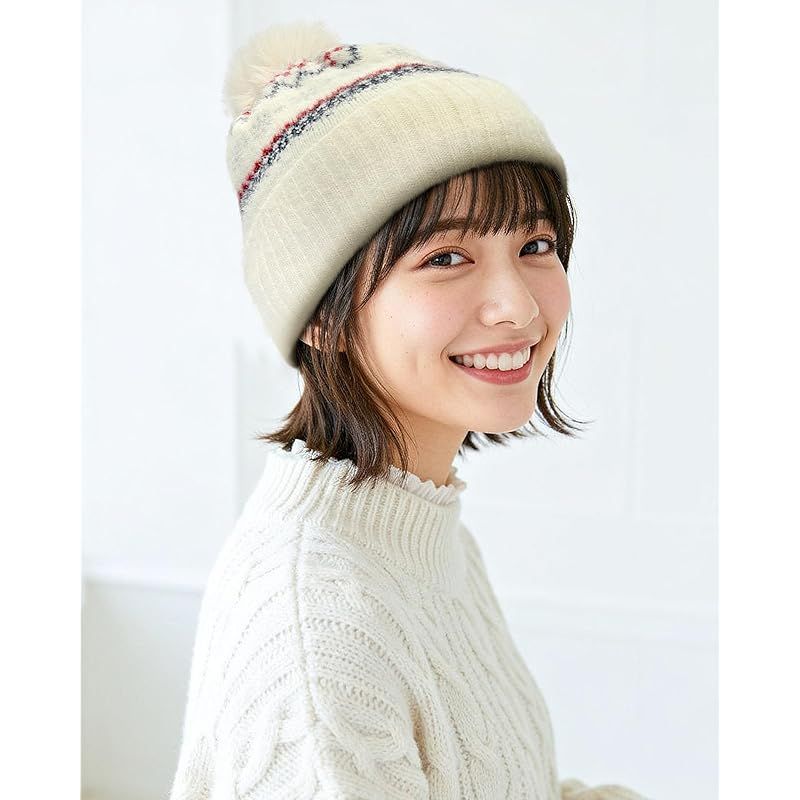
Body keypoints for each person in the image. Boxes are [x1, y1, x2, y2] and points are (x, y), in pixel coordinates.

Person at [168, 19, 649, 800]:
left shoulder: (416, 535)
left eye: (534, 245)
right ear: (321, 317)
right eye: (447, 257)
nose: (518, 307)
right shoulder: (317, 633)